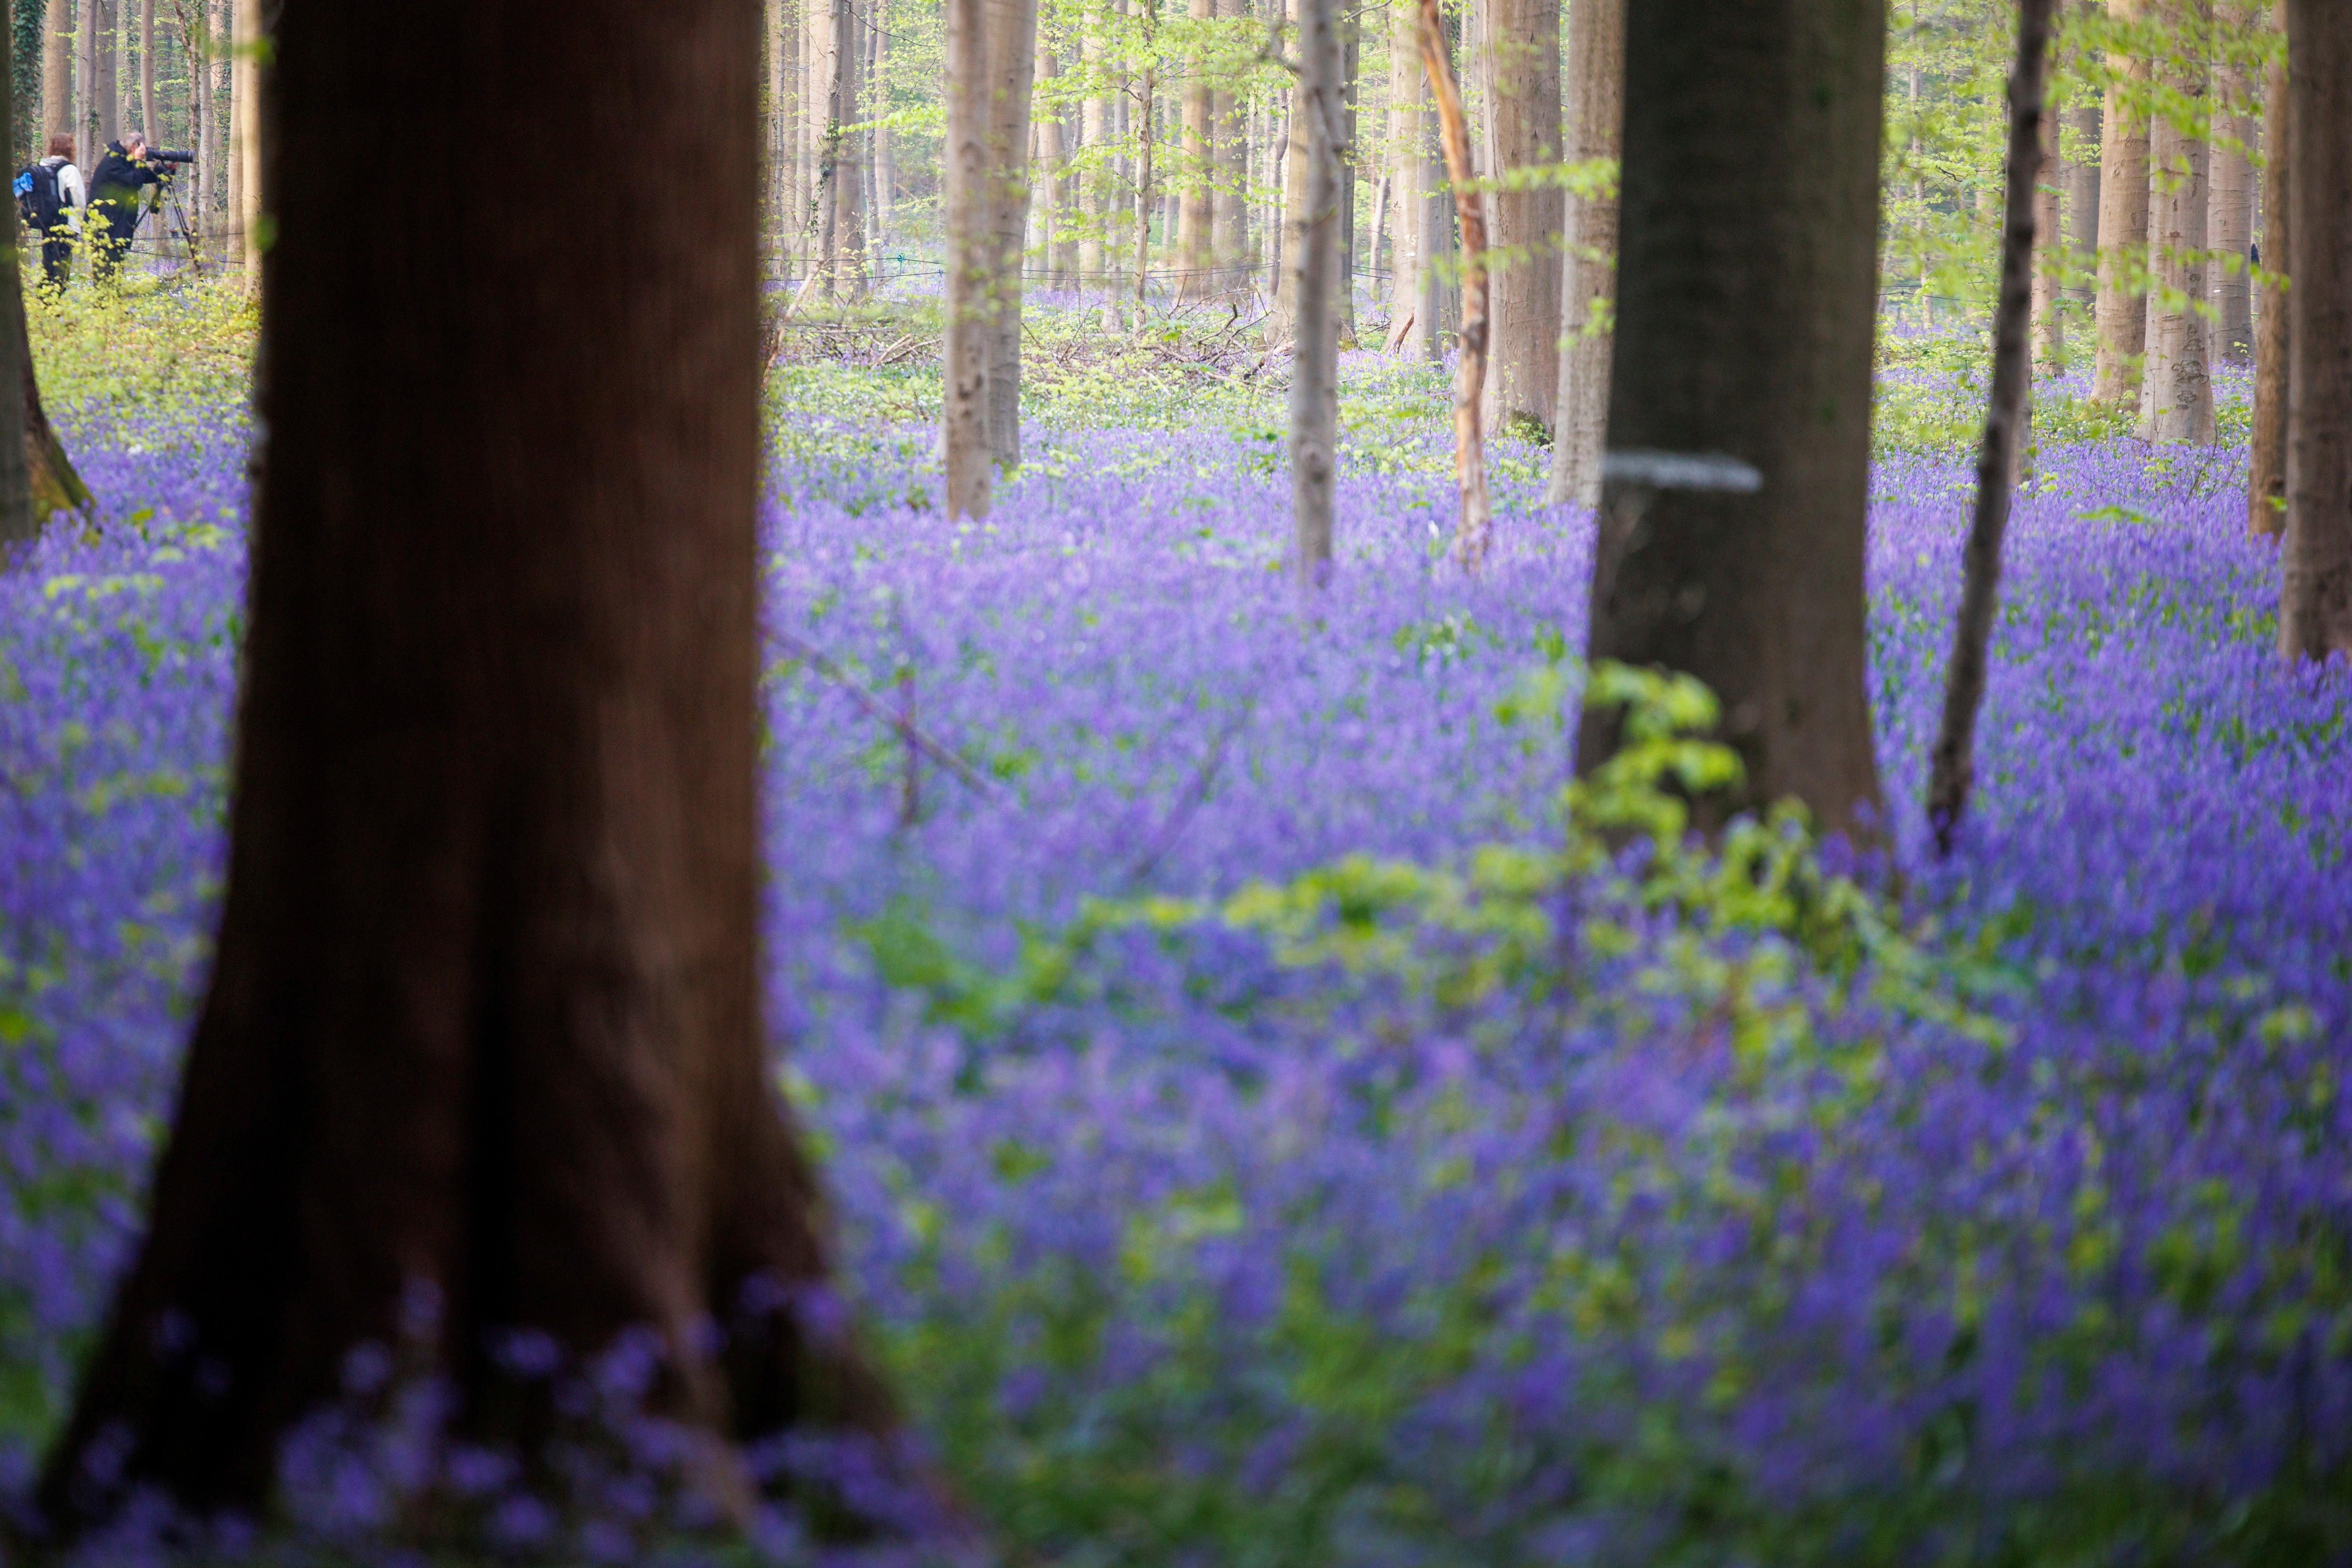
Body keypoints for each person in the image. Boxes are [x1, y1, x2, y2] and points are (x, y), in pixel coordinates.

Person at [86, 132, 163, 281]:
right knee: (106, 276)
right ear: (134, 147)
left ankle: (111, 303)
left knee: (114, 276)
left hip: (114, 229)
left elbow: (148, 176)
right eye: (143, 148)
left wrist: (167, 168)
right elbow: (135, 181)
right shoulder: (113, 163)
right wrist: (139, 160)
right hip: (105, 230)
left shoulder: (122, 160)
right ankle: (105, 304)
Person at [18, 133, 86, 291]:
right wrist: (80, 224)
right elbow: (79, 201)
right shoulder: (69, 170)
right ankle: (50, 303)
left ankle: (45, 302)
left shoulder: (43, 168)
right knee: (62, 270)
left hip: (46, 223)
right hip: (66, 225)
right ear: (71, 149)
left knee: (49, 266)